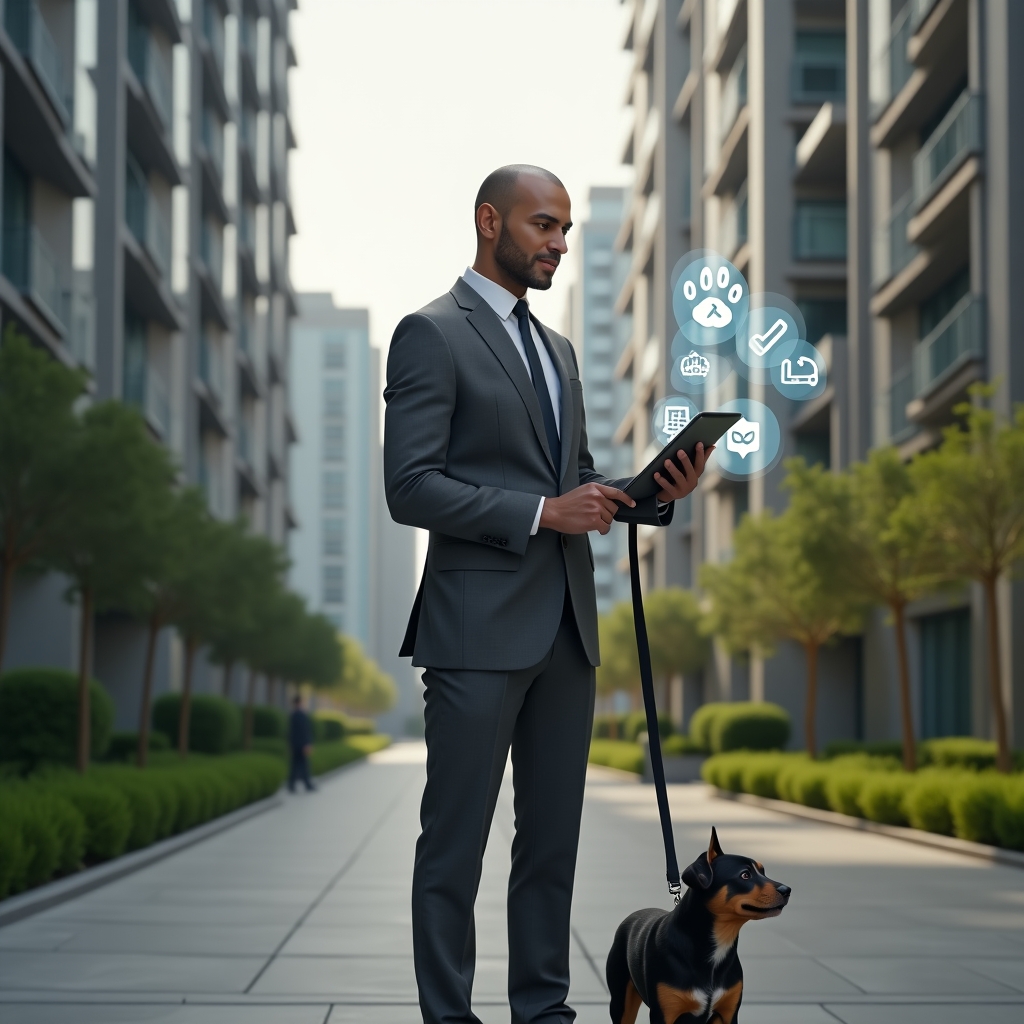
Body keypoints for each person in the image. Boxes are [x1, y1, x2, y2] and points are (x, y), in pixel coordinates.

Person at [383, 165, 712, 1024]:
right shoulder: (429, 334)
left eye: (565, 230)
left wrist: (654, 491)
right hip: (474, 631)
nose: (559, 245)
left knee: (551, 849)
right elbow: (409, 486)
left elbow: (574, 482)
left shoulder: (557, 350)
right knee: (454, 849)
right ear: (489, 222)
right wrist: (539, 511)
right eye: (543, 227)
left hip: (567, 631)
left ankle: (543, 1010)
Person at [287, 695, 315, 793]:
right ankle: (306, 784)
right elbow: (305, 731)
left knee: (295, 765)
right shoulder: (301, 715)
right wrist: (307, 743)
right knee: (303, 765)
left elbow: (291, 732)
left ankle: (292, 785)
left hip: (295, 744)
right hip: (301, 745)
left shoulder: (293, 715)